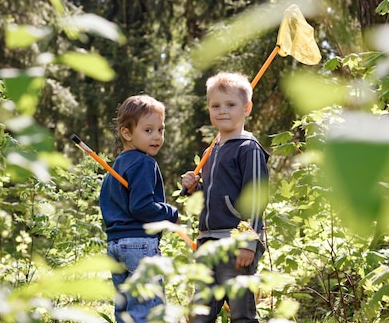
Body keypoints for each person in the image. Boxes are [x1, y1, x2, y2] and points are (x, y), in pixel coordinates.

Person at [181, 72, 269, 323]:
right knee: (200, 313)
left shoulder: (248, 148)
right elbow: (212, 196)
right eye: (215, 106)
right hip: (208, 243)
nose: (222, 111)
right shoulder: (212, 150)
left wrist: (248, 242)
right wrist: (193, 188)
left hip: (235, 244)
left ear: (246, 108)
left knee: (241, 313)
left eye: (230, 105)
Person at [100, 94, 179, 323]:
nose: (157, 137)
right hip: (139, 244)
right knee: (148, 310)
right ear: (127, 133)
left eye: (160, 130)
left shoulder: (118, 166)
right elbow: (141, 206)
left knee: (126, 311)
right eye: (148, 130)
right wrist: (171, 213)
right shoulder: (144, 163)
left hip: (115, 245)